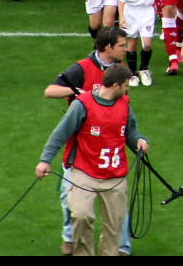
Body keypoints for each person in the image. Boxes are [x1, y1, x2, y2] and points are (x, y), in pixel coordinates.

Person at [36, 63, 149, 257]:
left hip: (115, 176)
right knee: (81, 215)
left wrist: (139, 140)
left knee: (114, 228)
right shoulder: (83, 104)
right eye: (126, 84)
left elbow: (129, 130)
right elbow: (59, 134)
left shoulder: (124, 104)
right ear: (116, 85)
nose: (128, 88)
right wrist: (45, 161)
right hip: (84, 172)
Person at [43, 27, 132, 257]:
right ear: (108, 47)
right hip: (80, 149)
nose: (127, 48)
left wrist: (136, 138)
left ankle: (120, 248)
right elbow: (49, 91)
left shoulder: (120, 75)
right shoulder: (82, 68)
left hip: (108, 147)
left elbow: (128, 120)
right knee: (72, 204)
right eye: (122, 45)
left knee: (116, 208)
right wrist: (78, 92)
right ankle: (69, 240)